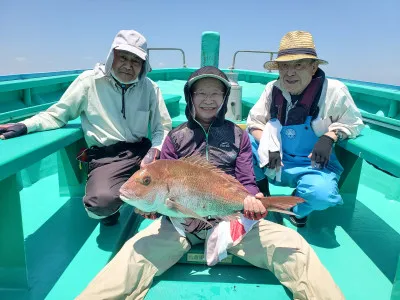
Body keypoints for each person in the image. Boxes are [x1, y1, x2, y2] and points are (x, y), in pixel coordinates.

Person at [77, 66, 344, 300]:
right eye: (201, 93)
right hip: (180, 223)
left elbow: (247, 182)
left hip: (231, 220)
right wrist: (152, 208)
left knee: (295, 248)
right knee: (131, 256)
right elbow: (162, 188)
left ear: (225, 98)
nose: (208, 100)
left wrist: (253, 200)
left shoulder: (237, 137)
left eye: (215, 94)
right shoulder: (175, 138)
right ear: (190, 97)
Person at [0, 30, 172, 226]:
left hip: (143, 153)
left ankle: (143, 199)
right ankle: (119, 205)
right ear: (111, 57)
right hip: (107, 157)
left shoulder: (150, 88)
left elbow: (162, 127)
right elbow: (57, 115)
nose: (128, 65)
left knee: (176, 188)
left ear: (143, 65)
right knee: (100, 204)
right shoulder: (88, 82)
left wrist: (155, 150)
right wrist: (25, 125)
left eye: (136, 61)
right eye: (123, 57)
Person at [247, 30, 364, 227]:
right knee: (241, 145)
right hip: (275, 159)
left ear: (313, 67)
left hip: (313, 165)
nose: (289, 72)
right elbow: (254, 123)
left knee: (321, 195)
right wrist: (267, 144)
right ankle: (262, 194)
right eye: (284, 66)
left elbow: (354, 123)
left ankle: (297, 209)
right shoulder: (272, 88)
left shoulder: (334, 91)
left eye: (298, 65)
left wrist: (330, 137)